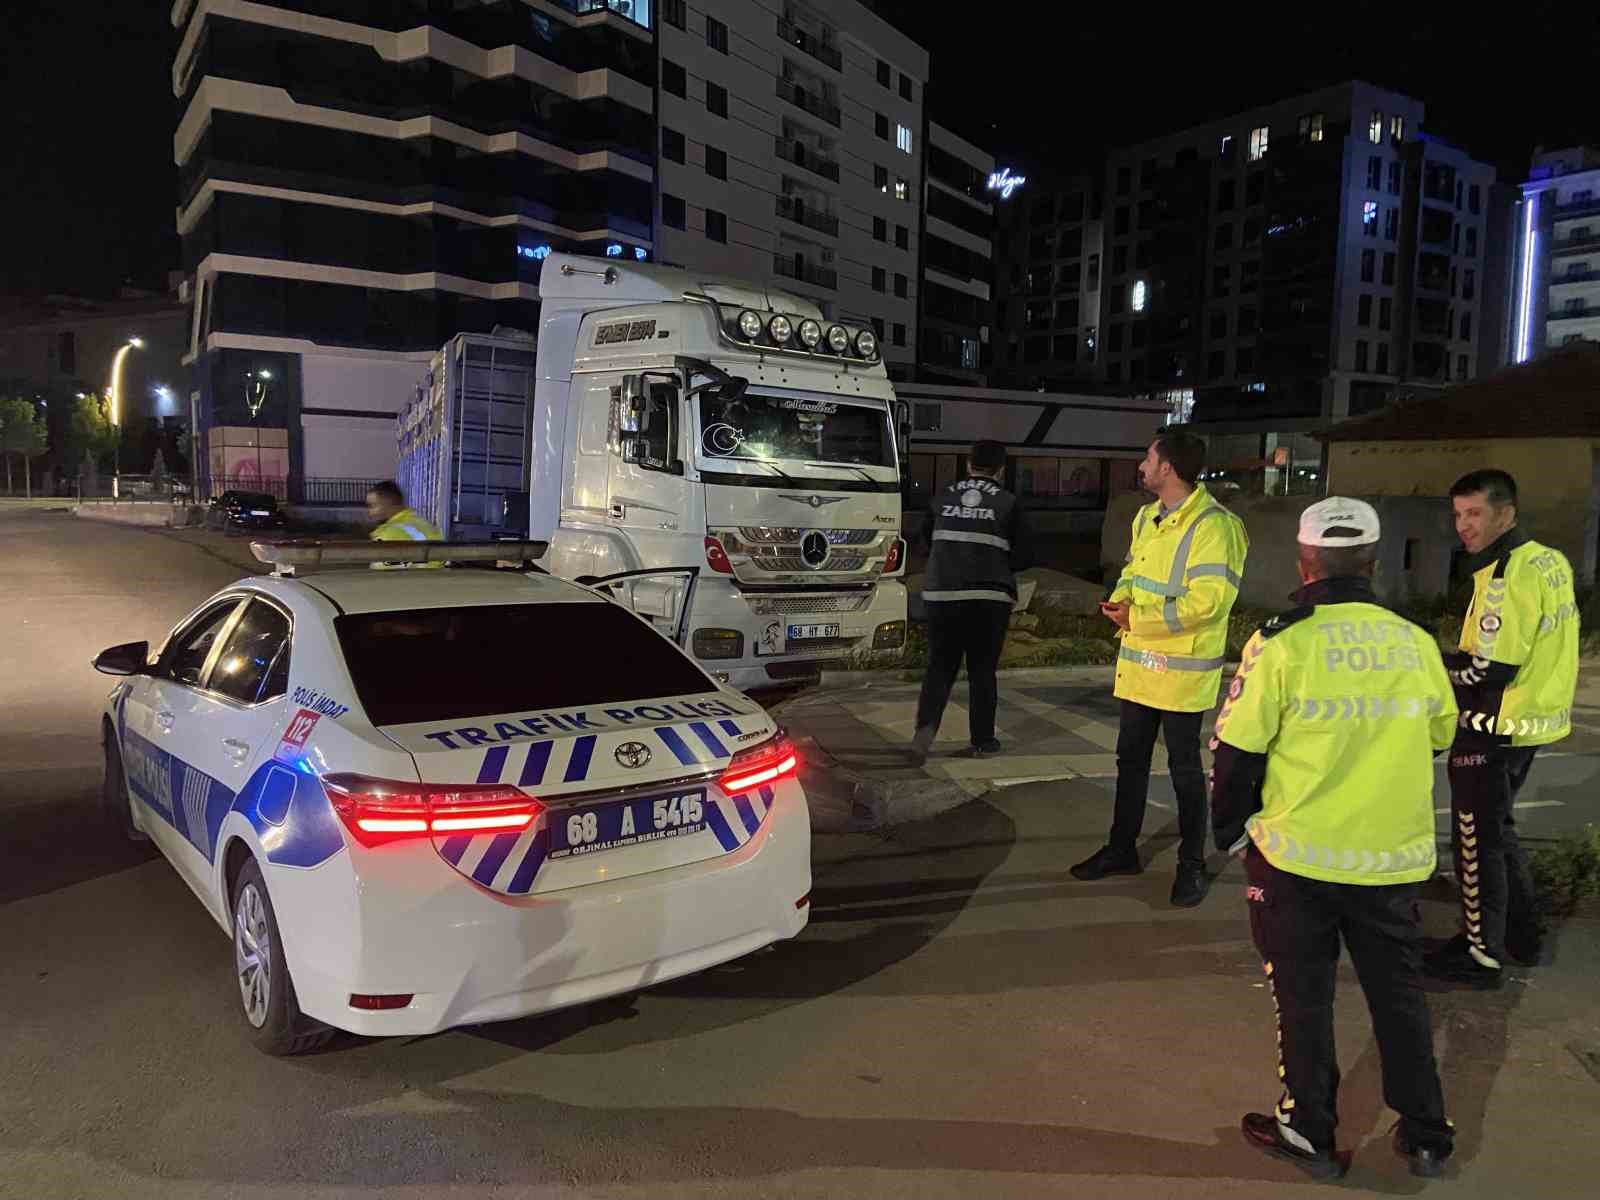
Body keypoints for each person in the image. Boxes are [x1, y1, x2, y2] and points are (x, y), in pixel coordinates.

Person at [1211, 498, 1458, 1180]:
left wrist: (1230, 832)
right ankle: (1428, 1134)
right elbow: (1441, 734)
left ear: (1304, 561)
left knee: (1303, 995)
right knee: (1399, 994)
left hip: (1298, 857)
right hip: (1392, 857)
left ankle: (1310, 1132)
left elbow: (1235, 749)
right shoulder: (1413, 639)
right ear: (1374, 564)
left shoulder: (1283, 640)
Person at [1071, 428, 1249, 907]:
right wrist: (1122, 597)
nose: (1142, 465)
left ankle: (1192, 866)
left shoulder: (1215, 525)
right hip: (1140, 668)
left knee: (1184, 771)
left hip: (1181, 674)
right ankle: (1121, 848)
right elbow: (1133, 569)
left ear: (1168, 467)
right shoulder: (1148, 517)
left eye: (1148, 457)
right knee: (1129, 763)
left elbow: (1209, 603)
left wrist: (1139, 618)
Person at [1426, 469, 1580, 987]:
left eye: (1475, 513)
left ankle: (1481, 954)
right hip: (1531, 723)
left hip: (1494, 725)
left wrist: (1429, 661)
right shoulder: (1548, 560)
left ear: (1506, 514)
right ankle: (1521, 935)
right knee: (1499, 831)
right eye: (1458, 514)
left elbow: (1486, 671)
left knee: (1474, 841)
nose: (1463, 526)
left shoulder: (1505, 574)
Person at [909, 440, 1031, 763]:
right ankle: (982, 741)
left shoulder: (942, 498)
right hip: (988, 600)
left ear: (968, 464)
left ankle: (924, 732)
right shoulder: (1007, 502)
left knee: (939, 667)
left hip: (942, 596)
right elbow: (1024, 555)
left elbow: (924, 543)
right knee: (982, 670)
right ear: (1001, 470)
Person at [366, 480, 443, 568]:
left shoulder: (392, 533)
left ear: (388, 503)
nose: (370, 512)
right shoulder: (421, 523)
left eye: (373, 506)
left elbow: (380, 570)